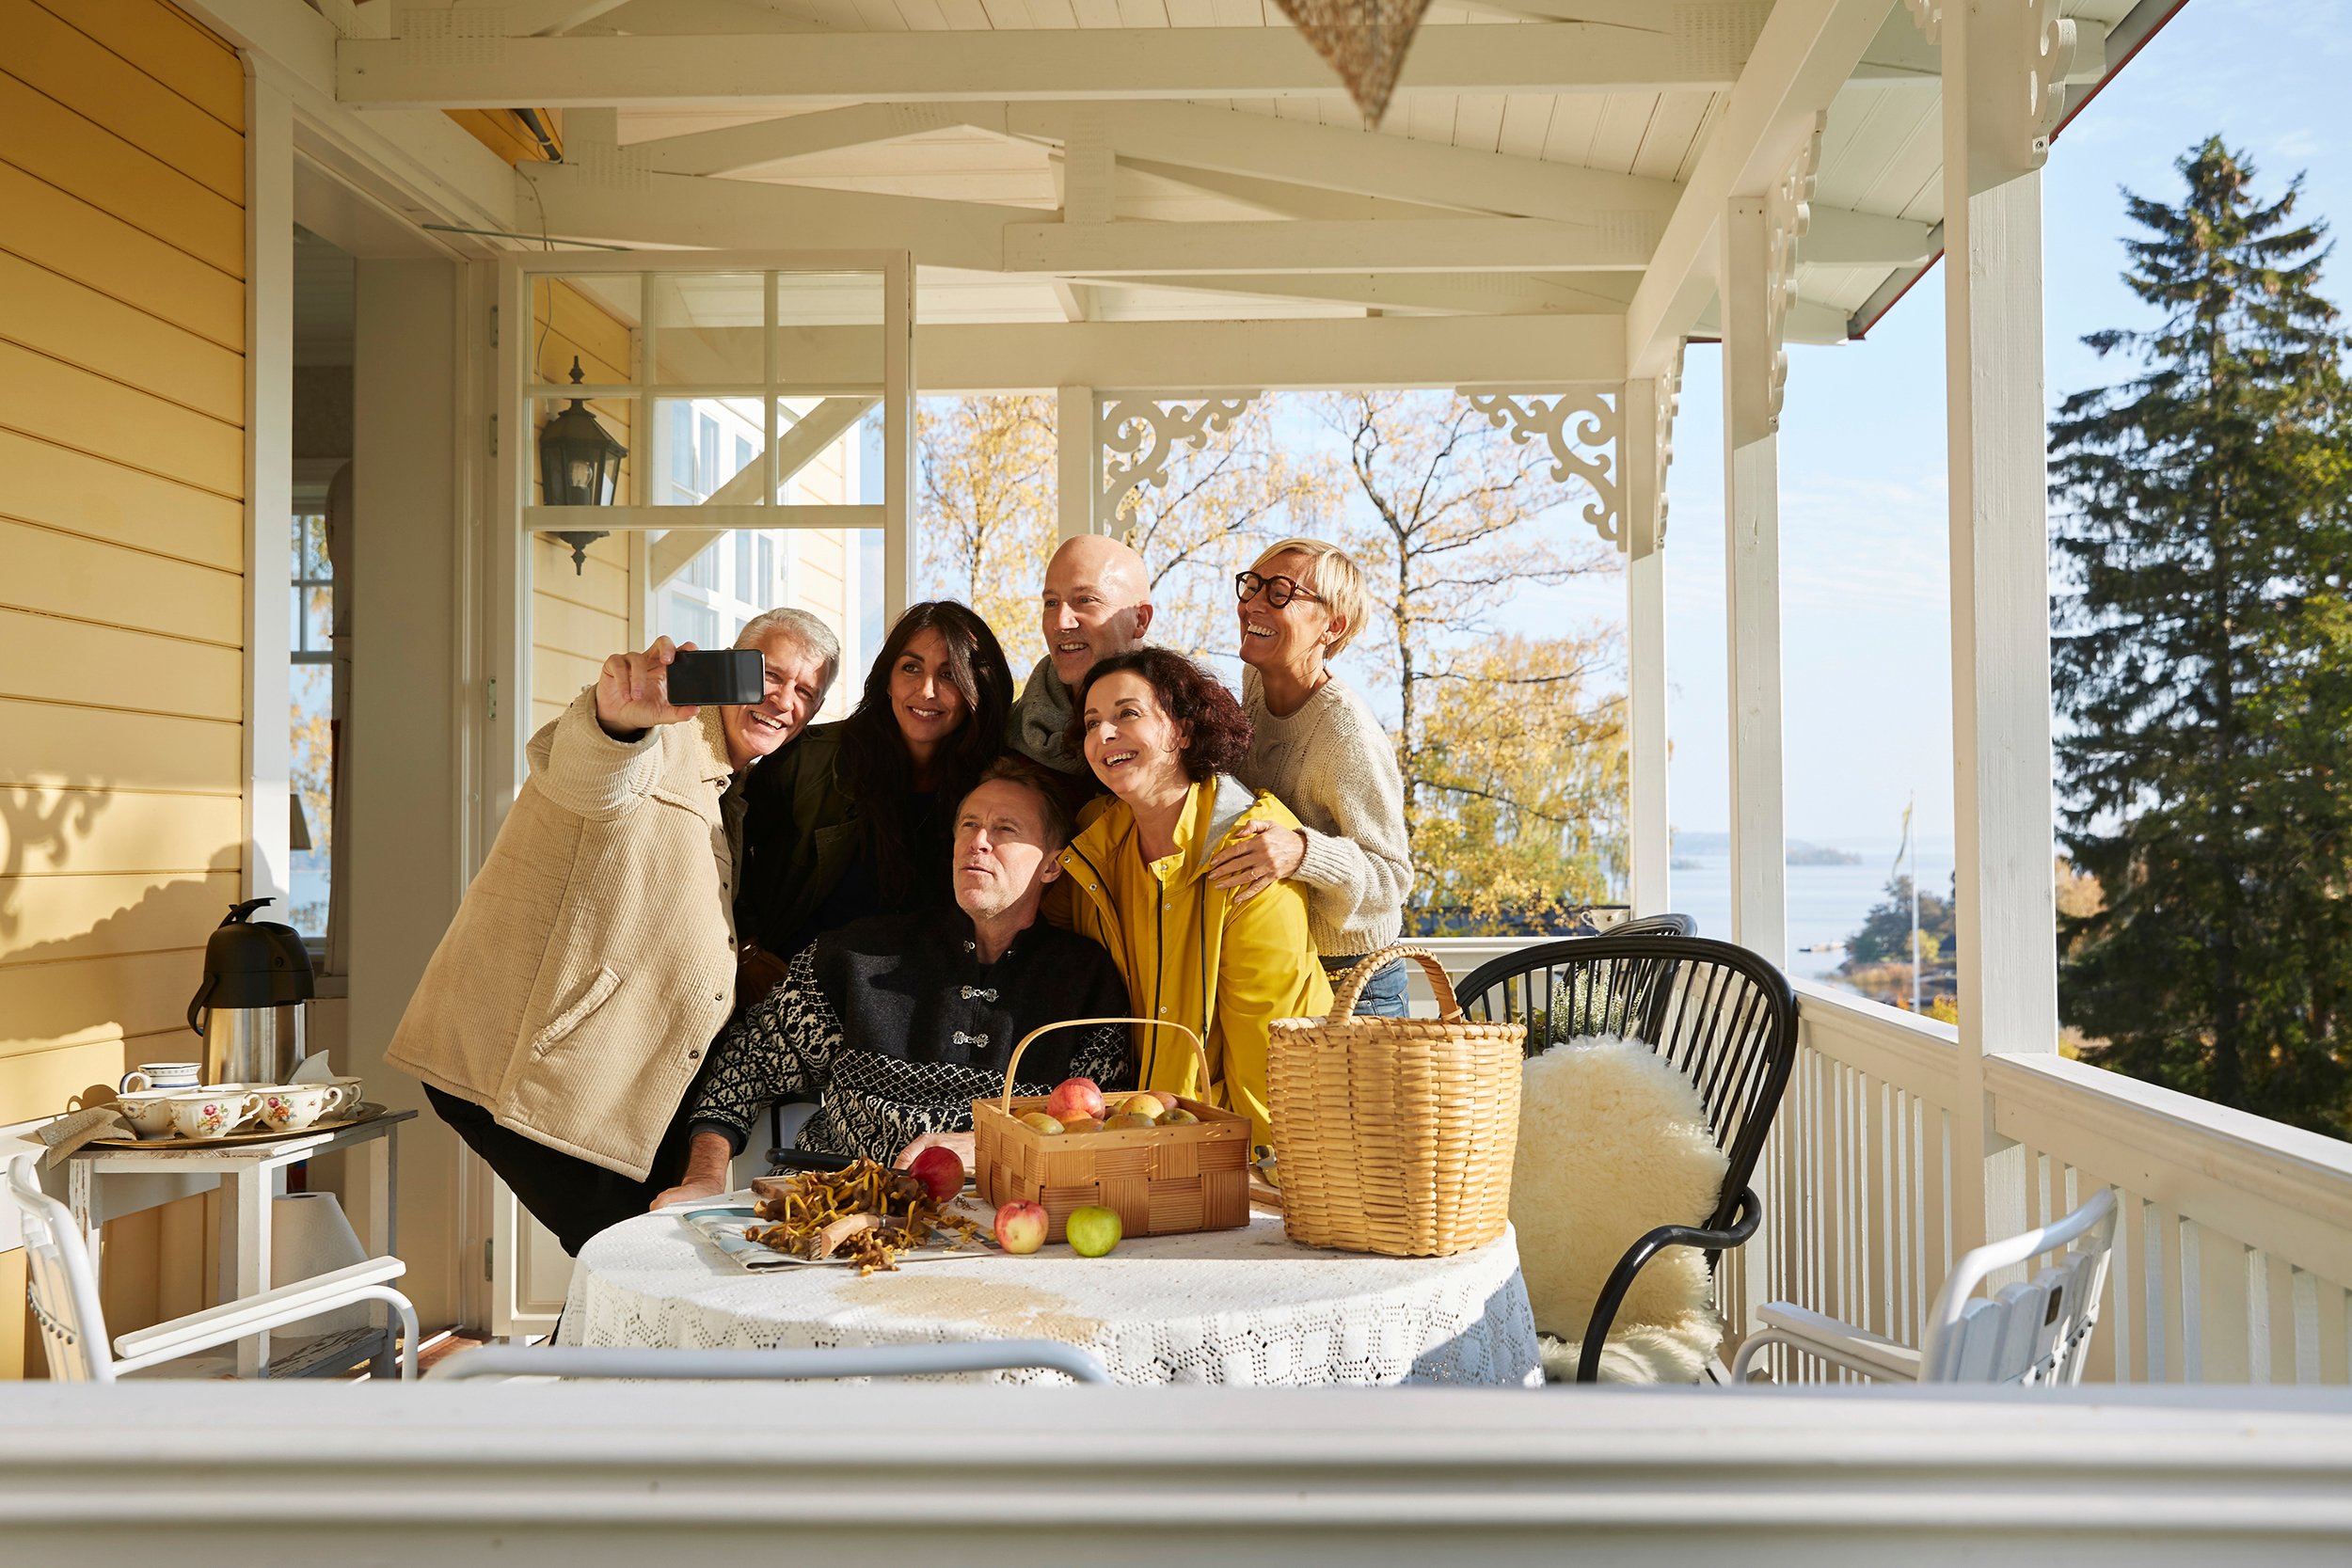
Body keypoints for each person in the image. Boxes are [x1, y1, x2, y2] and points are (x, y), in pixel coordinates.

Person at [386, 610, 840, 1255]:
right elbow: (588, 769)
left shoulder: (730, 783)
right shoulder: (665, 738)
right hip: (528, 1069)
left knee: (636, 1264)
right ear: (725, 667)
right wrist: (614, 716)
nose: (783, 700)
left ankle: (588, 1351)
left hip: (617, 1085)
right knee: (643, 1256)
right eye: (768, 674)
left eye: (805, 692)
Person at [654, 757, 1133, 1199]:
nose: (978, 841)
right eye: (968, 825)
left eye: (1005, 829)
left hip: (1001, 1223)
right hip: (829, 1210)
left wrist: (993, 1143)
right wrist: (703, 1178)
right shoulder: (860, 955)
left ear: (1052, 863)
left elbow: (1100, 1128)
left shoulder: (1086, 983)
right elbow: (744, 1066)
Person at [1057, 648, 1333, 1150]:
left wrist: (1268, 1181)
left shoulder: (1250, 846)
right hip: (1137, 1133)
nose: (1103, 735)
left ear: (1183, 731)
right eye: (1092, 722)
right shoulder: (1095, 845)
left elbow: (1268, 1054)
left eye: (1127, 714)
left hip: (1237, 1141)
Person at [735, 601, 1013, 994]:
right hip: (793, 993)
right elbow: (726, 850)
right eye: (911, 668)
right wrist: (746, 952)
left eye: (950, 675)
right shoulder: (810, 761)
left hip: (918, 1008)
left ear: (977, 688)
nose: (926, 690)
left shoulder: (997, 786)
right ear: (887, 678)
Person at [1211, 538, 1416, 1017]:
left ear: (1332, 624)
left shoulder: (1348, 734)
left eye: (1281, 592)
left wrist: (1303, 851)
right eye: (1252, 585)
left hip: (1354, 983)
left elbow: (1392, 877)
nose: (1254, 604)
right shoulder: (1257, 682)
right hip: (1280, 956)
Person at [1006, 533, 1154, 782]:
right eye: (1051, 603)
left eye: (1085, 600)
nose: (1061, 623)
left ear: (1140, 620)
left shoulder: (1189, 717)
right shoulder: (1007, 738)